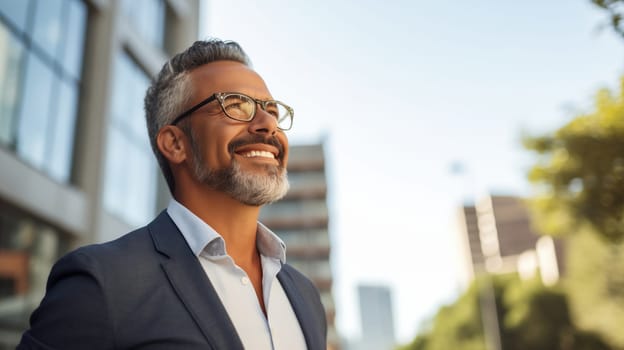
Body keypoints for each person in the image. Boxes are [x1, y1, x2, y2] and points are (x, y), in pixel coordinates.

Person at [17, 39, 327, 350]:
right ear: (175, 144)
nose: (268, 125)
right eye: (235, 105)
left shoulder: (305, 295)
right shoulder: (104, 283)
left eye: (272, 111)